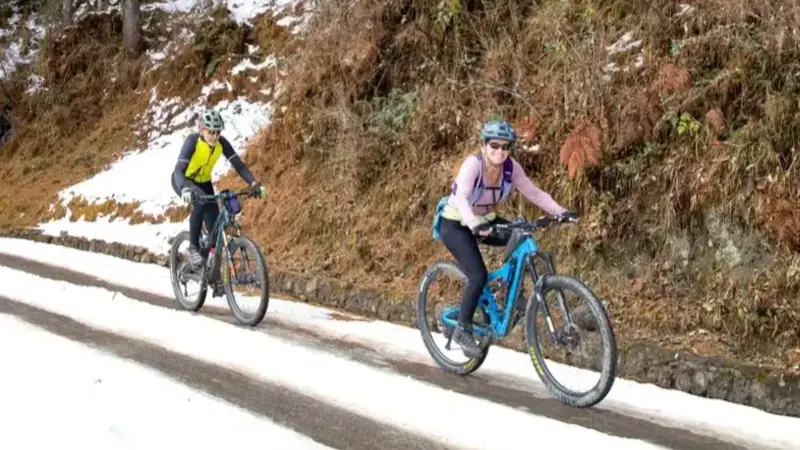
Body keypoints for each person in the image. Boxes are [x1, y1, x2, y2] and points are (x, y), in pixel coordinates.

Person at [437, 119, 578, 357]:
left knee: (522, 237)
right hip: (456, 223)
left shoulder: (511, 168)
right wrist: (473, 222)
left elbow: (534, 192)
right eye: (494, 146)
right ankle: (462, 328)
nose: (500, 152)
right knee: (478, 275)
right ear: (483, 145)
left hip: (486, 221)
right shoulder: (473, 165)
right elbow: (462, 198)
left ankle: (511, 294)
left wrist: (560, 212)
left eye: (505, 147)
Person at [171, 108, 264, 268]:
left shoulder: (222, 143)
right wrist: (184, 189)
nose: (214, 136)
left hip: (204, 182)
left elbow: (239, 166)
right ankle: (193, 248)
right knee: (199, 202)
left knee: (214, 224)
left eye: (217, 132)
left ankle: (212, 268)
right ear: (202, 130)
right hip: (184, 181)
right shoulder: (192, 141)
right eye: (211, 132)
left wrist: (253, 183)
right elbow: (178, 170)